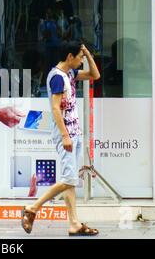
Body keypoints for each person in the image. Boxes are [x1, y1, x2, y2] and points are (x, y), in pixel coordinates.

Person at [21, 41, 101, 236]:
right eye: (80, 57)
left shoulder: (70, 74)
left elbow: (95, 75)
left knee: (71, 181)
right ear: (69, 57)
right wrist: (65, 136)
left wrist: (88, 53)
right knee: (68, 179)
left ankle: (74, 223)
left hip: (74, 133)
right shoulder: (57, 77)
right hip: (66, 135)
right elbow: (56, 108)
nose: (82, 61)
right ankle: (32, 208)